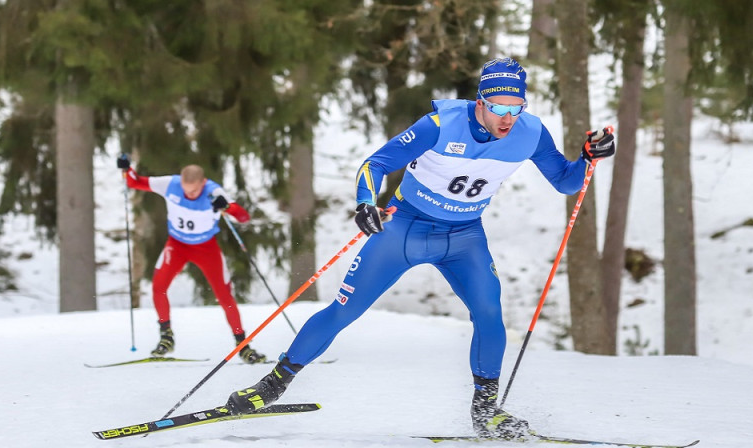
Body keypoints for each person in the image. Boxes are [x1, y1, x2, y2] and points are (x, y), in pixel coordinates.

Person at [225, 57, 616, 436]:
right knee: (344, 311)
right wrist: (365, 203)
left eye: (516, 107)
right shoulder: (439, 125)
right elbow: (375, 164)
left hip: (464, 236)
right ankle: (272, 385)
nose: (507, 118)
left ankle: (485, 412)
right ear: (479, 102)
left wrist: (586, 158)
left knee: (489, 313)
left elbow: (566, 182)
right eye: (498, 106)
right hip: (404, 228)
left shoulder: (530, 132)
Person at [117, 157, 267, 364]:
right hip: (177, 245)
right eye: (186, 191)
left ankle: (243, 346)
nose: (189, 195)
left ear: (203, 182)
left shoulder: (213, 192)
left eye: (194, 192)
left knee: (224, 296)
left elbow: (243, 217)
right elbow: (135, 182)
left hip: (206, 248)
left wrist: (228, 207)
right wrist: (126, 169)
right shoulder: (171, 184)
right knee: (158, 286)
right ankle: (166, 335)